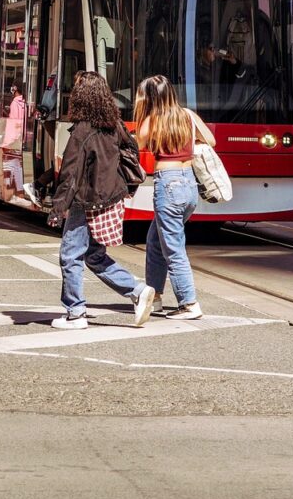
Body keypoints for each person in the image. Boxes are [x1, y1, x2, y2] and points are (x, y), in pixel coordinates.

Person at [50, 71, 155, 330]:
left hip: (85, 201)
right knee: (94, 256)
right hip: (109, 198)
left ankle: (75, 313)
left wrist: (57, 208)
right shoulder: (115, 125)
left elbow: (70, 174)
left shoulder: (82, 131)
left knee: (70, 255)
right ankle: (137, 290)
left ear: (81, 97)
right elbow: (131, 154)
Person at [134, 74, 215, 319]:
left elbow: (140, 142)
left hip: (168, 185)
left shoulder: (152, 119)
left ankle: (189, 304)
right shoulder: (188, 116)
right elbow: (210, 140)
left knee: (173, 248)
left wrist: (143, 111)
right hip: (189, 184)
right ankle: (155, 297)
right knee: (155, 241)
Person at [24, 70, 58, 209]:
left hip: (50, 116)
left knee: (71, 159)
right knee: (73, 160)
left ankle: (38, 186)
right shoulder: (60, 68)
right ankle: (38, 186)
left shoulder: (56, 70)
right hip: (53, 116)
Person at [2, 79, 27, 201]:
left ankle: (16, 192)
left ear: (15, 88)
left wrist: (7, 142)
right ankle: (20, 191)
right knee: (18, 165)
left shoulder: (14, 103)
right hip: (22, 137)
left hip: (14, 139)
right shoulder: (25, 102)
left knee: (13, 165)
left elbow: (13, 124)